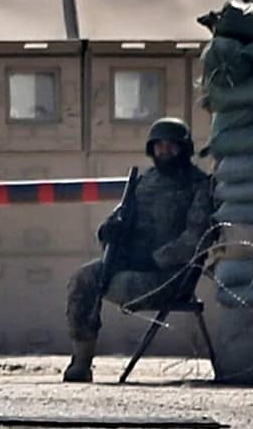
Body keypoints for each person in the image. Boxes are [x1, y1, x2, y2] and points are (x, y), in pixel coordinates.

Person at [62, 117, 214, 383]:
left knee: (122, 282)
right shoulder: (143, 183)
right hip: (130, 263)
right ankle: (82, 359)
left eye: (171, 146)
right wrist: (108, 230)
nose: (164, 152)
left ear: (184, 149)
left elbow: (195, 240)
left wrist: (152, 259)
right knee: (82, 279)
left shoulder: (198, 186)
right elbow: (119, 217)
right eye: (159, 146)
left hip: (169, 276)